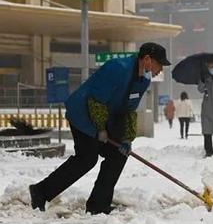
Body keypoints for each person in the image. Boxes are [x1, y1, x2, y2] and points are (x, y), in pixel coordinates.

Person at [28, 42, 170, 214]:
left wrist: (126, 138)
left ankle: (98, 205)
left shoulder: (143, 80)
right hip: (82, 114)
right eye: (159, 64)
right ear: (147, 59)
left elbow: (130, 111)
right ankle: (40, 192)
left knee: (118, 154)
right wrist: (101, 130)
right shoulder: (117, 68)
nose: (160, 69)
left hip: (106, 117)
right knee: (86, 158)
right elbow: (95, 101)